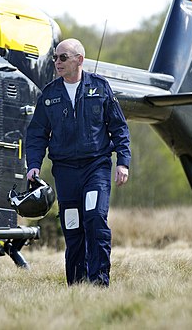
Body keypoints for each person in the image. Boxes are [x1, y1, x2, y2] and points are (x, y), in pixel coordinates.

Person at [25, 38, 131, 287]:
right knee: (72, 227)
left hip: (96, 168)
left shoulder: (100, 87)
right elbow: (37, 133)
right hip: (65, 173)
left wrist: (123, 162)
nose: (57, 62)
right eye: (55, 57)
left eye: (63, 57)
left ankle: (99, 282)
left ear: (79, 60)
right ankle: (76, 285)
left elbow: (119, 128)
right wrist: (34, 164)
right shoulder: (50, 94)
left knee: (94, 218)